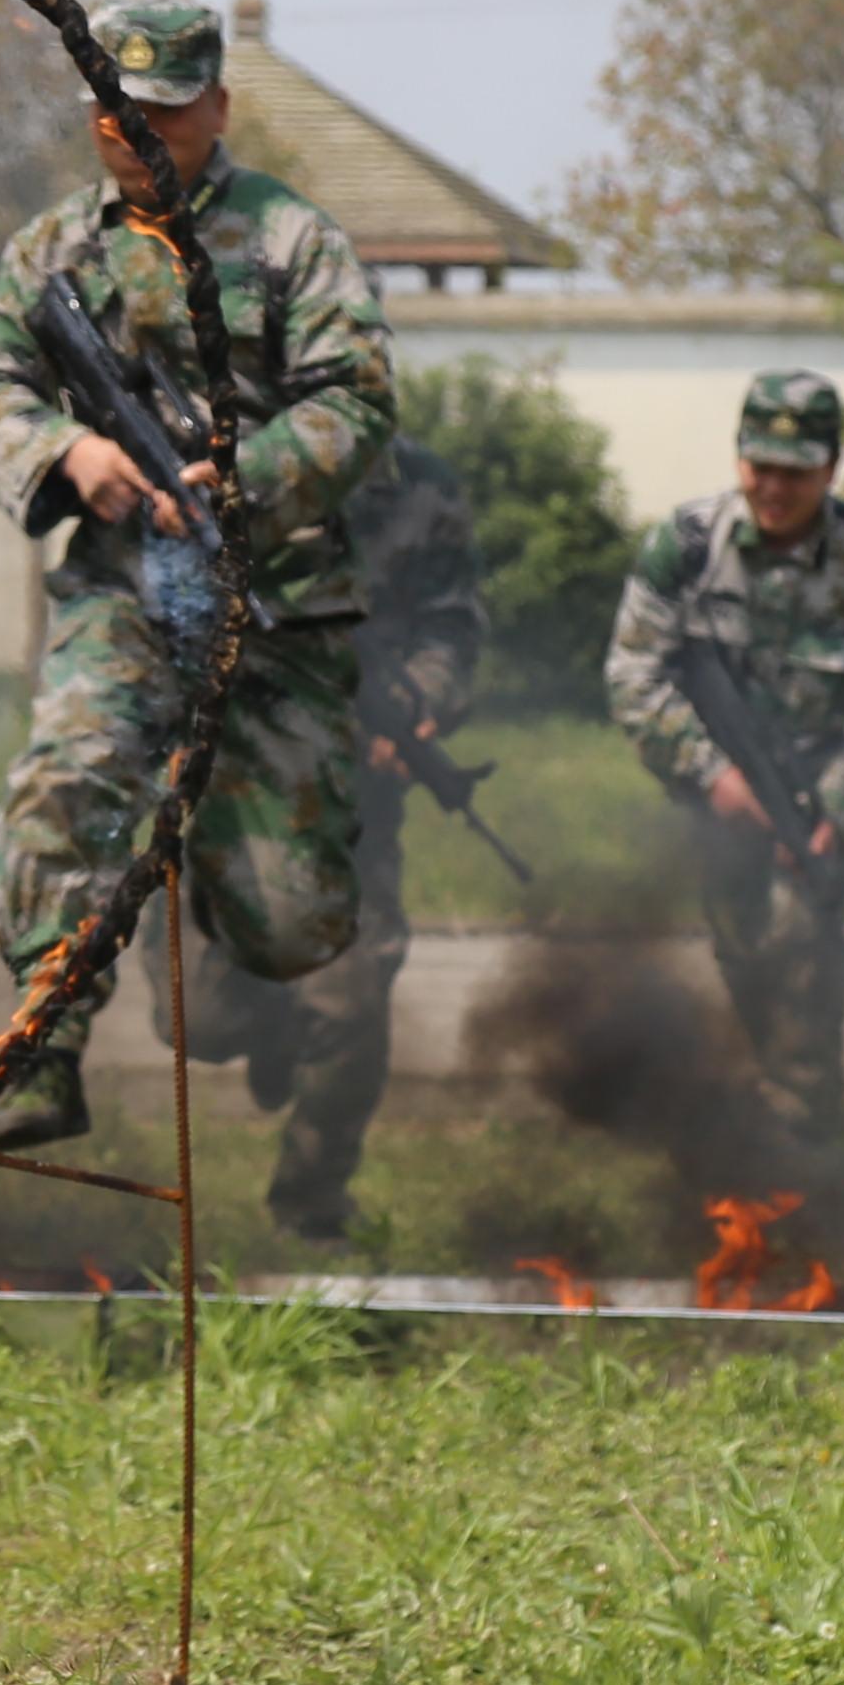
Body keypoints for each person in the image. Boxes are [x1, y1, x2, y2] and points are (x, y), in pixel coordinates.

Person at [0, 0, 395, 1152]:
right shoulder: (53, 251)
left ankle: (234, 949)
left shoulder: (295, 240)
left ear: (216, 107)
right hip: (123, 595)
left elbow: (358, 400)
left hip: (279, 606)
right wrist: (73, 453)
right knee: (65, 789)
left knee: (292, 925)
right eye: (118, 107)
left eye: (164, 108)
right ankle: (42, 1052)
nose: (138, 129)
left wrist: (243, 477)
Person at [603, 369, 844, 1127]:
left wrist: (839, 808)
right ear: (738, 457)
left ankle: (800, 1140)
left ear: (832, 468)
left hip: (817, 805)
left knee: (801, 955)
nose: (775, 488)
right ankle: (759, 1110)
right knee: (740, 949)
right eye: (761, 467)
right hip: (713, 798)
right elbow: (633, 673)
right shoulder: (686, 548)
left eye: (796, 472)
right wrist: (712, 776)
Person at [174, 433, 481, 1236]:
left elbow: (452, 629)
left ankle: (310, 1205)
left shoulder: (422, 486)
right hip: (233, 792)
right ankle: (277, 1021)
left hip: (351, 801)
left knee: (348, 1015)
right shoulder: (218, 456)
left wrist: (415, 704)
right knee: (197, 1024)